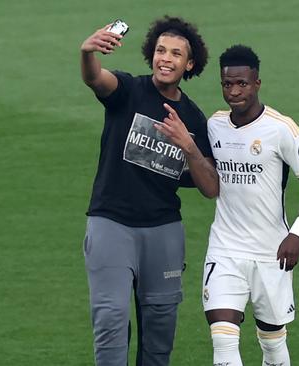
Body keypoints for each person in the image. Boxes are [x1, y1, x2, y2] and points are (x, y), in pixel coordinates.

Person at [79, 16, 218, 366]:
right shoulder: (129, 91)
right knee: (110, 320)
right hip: (112, 225)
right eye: (160, 50)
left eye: (175, 53)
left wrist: (188, 144)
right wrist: (87, 52)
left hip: (163, 232)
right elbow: (96, 77)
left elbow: (211, 187)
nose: (165, 58)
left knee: (159, 333)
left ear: (189, 64)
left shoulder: (195, 120)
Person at [203, 45, 299, 365]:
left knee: (272, 342)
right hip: (225, 249)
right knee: (223, 339)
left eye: (241, 83)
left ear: (257, 83)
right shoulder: (214, 125)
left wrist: (296, 234)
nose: (234, 91)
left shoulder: (280, 128)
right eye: (227, 84)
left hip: (271, 252)